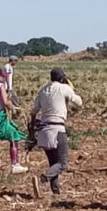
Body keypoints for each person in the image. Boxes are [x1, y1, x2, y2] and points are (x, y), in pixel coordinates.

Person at [28, 67, 83, 196]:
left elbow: (34, 111)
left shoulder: (43, 90)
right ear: (62, 78)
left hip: (44, 131)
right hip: (57, 129)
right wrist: (71, 88)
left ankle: (56, 192)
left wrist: (32, 129)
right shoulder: (64, 88)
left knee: (53, 163)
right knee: (62, 163)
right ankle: (43, 178)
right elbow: (79, 103)